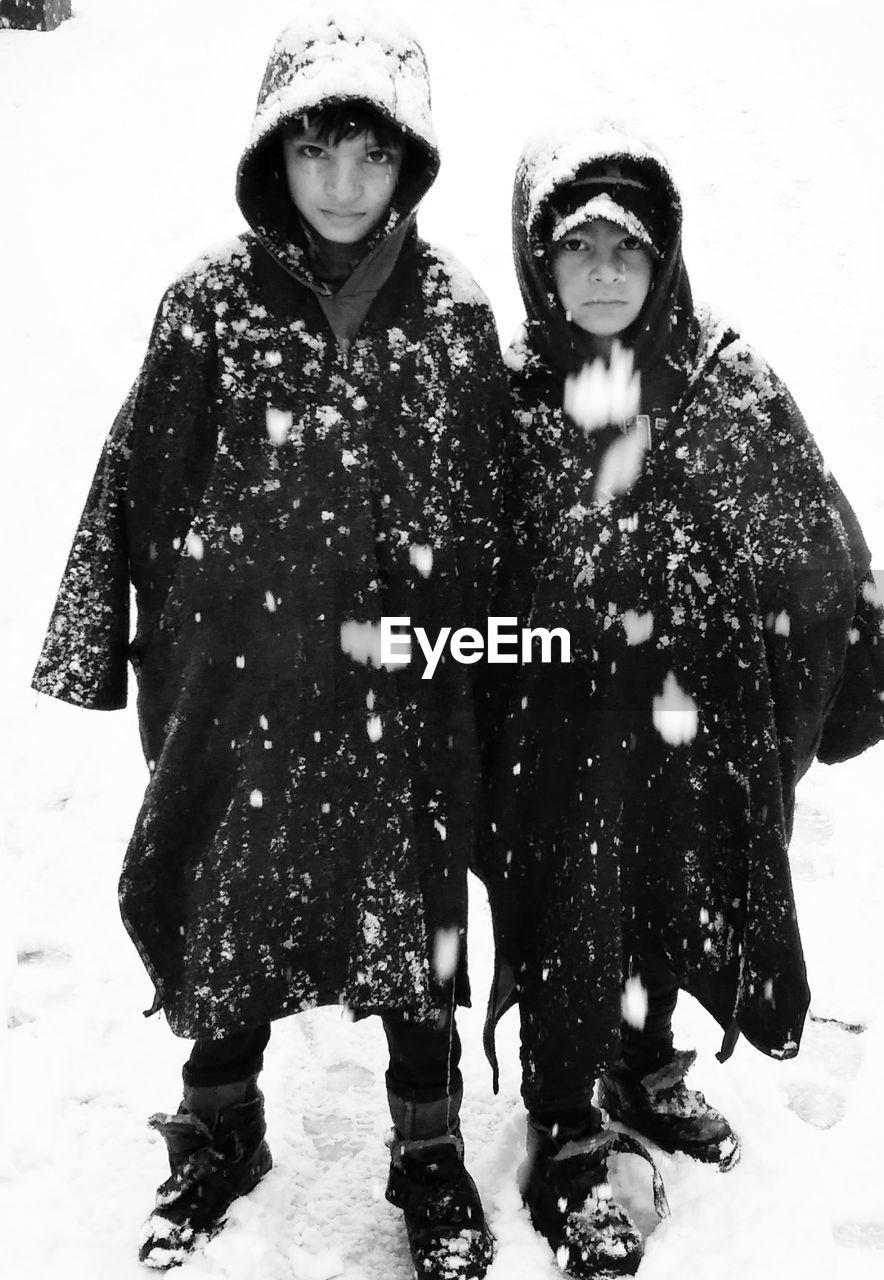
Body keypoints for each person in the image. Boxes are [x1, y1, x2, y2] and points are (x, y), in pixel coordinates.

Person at [30, 5, 507, 1276]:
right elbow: (138, 476)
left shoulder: (454, 312)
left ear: (409, 161)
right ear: (272, 156)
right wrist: (122, 643)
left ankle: (427, 1144)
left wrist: (499, 656)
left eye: (370, 154)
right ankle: (219, 1124)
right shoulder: (207, 306)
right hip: (237, 683)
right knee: (230, 889)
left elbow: (492, 500)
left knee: (415, 916)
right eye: (315, 152)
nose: (343, 184)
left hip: (405, 689)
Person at [476, 115, 884, 1277]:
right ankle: (568, 1120)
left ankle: (646, 1061)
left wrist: (829, 667)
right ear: (540, 261)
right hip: (555, 739)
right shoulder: (511, 401)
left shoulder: (727, 380)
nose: (606, 271)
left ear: (664, 256)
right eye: (579, 247)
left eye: (629, 247)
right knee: (572, 913)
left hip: (690, 724)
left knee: (676, 886)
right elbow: (450, 562)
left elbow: (817, 548)